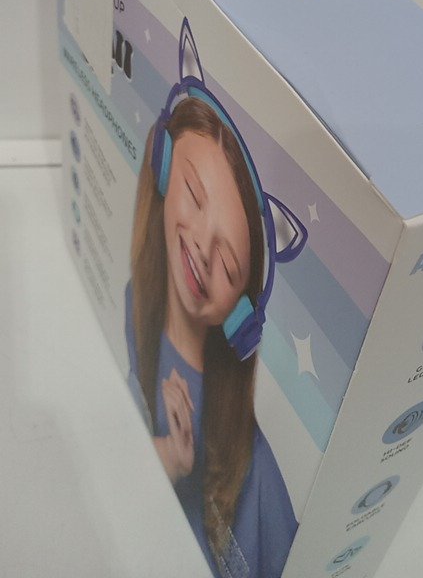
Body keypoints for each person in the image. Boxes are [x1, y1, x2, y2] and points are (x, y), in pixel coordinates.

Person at [126, 92, 298, 578]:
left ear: (241, 315)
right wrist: (169, 459)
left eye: (227, 263)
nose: (202, 248)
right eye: (194, 195)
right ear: (162, 166)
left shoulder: (256, 473)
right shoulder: (133, 304)